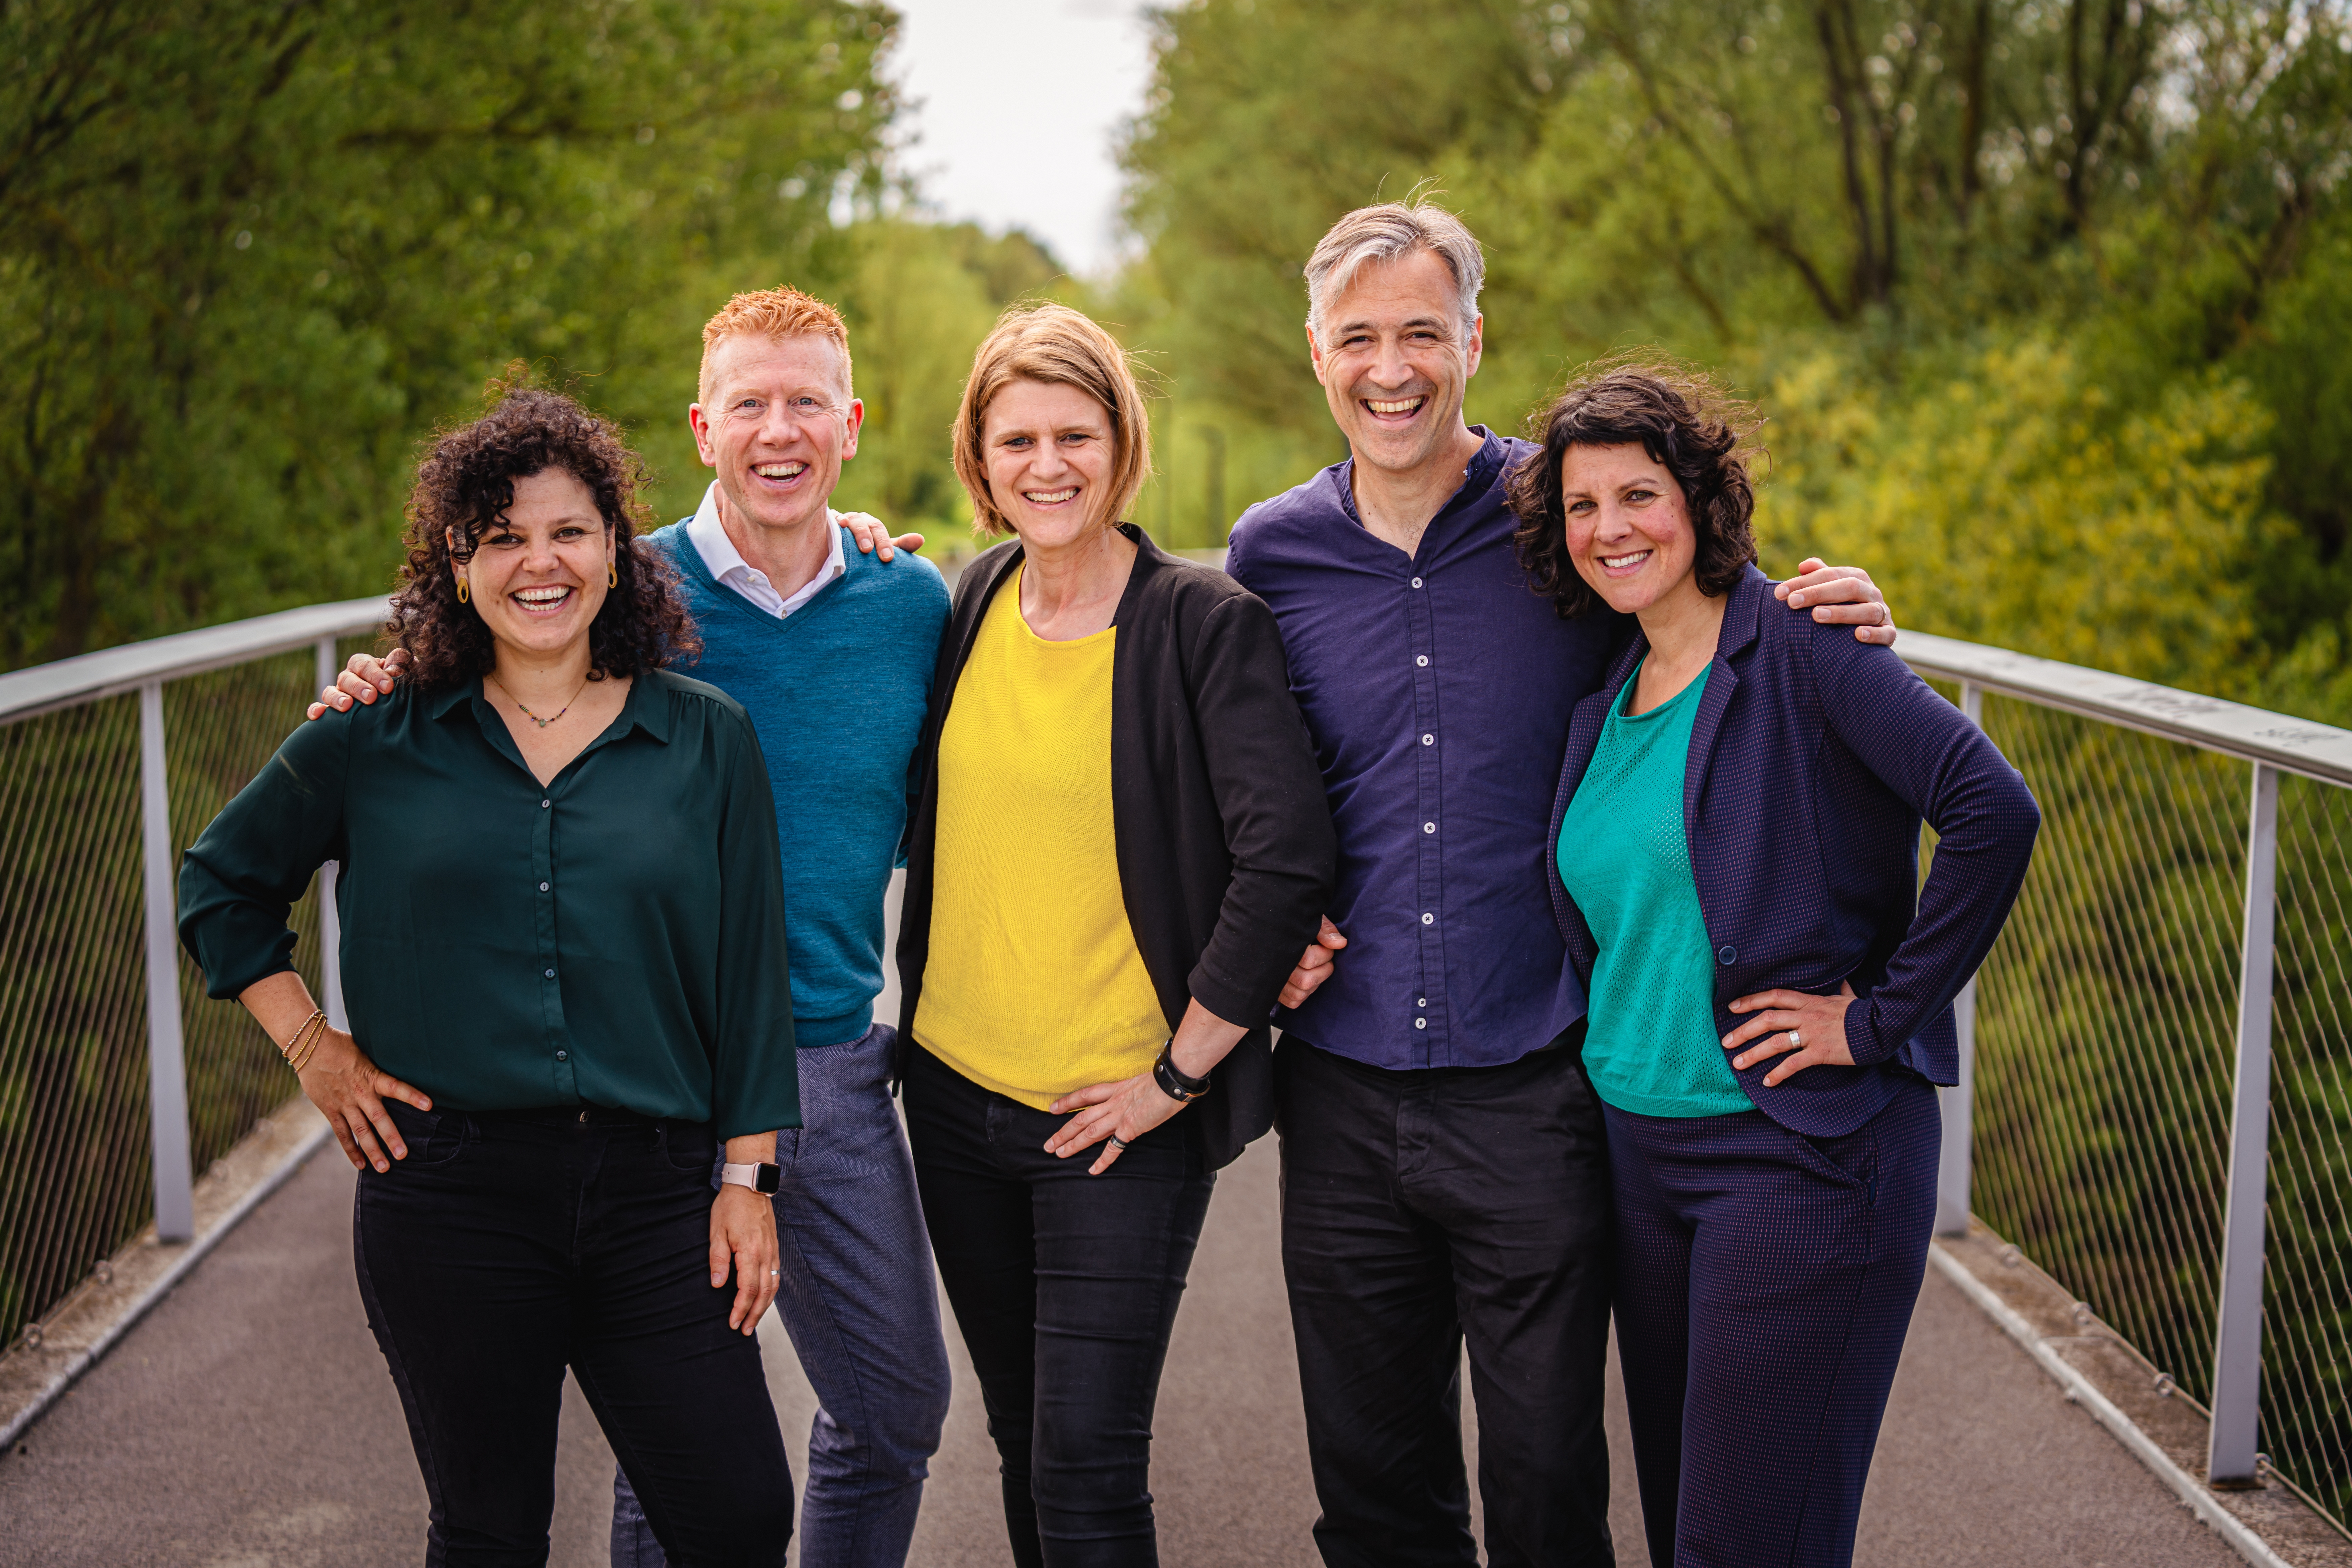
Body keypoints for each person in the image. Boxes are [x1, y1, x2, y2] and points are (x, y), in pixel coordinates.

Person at [1226, 201, 1901, 1567]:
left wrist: (1851, 625)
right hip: (1342, 1085)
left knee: (1544, 1482)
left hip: (1536, 1075)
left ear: (1475, 339)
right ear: (1315, 353)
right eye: (1359, 337)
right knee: (1371, 1488)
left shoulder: (1566, 513)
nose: (1392, 366)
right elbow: (1213, 785)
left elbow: (1722, 631)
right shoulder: (1267, 556)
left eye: (1422, 330)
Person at [312, 289, 954, 1568]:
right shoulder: (611, 584)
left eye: (808, 402)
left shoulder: (913, 602)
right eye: (752, 404)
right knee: (681, 1451)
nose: (782, 430)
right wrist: (379, 683)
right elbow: (474, 668)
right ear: (705, 425)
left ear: (853, 424)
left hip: (823, 1054)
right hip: (650, 1070)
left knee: (894, 1410)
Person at [179, 384, 799, 1566]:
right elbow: (222, 886)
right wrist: (314, 1050)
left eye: (568, 531)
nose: (539, 564)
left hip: (661, 1197)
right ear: (456, 565)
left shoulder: (706, 737)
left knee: (738, 1518)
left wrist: (749, 1180)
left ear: (616, 550)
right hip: (449, 1192)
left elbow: (748, 978)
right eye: (501, 538)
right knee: (491, 1530)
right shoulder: (376, 734)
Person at [1516, 363, 2039, 1567]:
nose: (1612, 529)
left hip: (1798, 1159)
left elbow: (1991, 811)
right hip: (1642, 1165)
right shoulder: (1608, 702)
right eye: (1584, 507)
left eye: (1638, 494)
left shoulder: (1806, 650)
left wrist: (1877, 1018)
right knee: (1691, 1534)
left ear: (1699, 499)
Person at [894, 302, 1337, 1567]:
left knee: (1089, 1469)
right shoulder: (964, 601)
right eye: (1017, 438)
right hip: (954, 1097)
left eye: (1075, 434)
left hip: (1118, 1118)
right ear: (979, 461)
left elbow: (1285, 860)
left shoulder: (1203, 623)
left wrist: (1177, 1076)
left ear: (1121, 443)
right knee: (1026, 1449)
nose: (1049, 464)